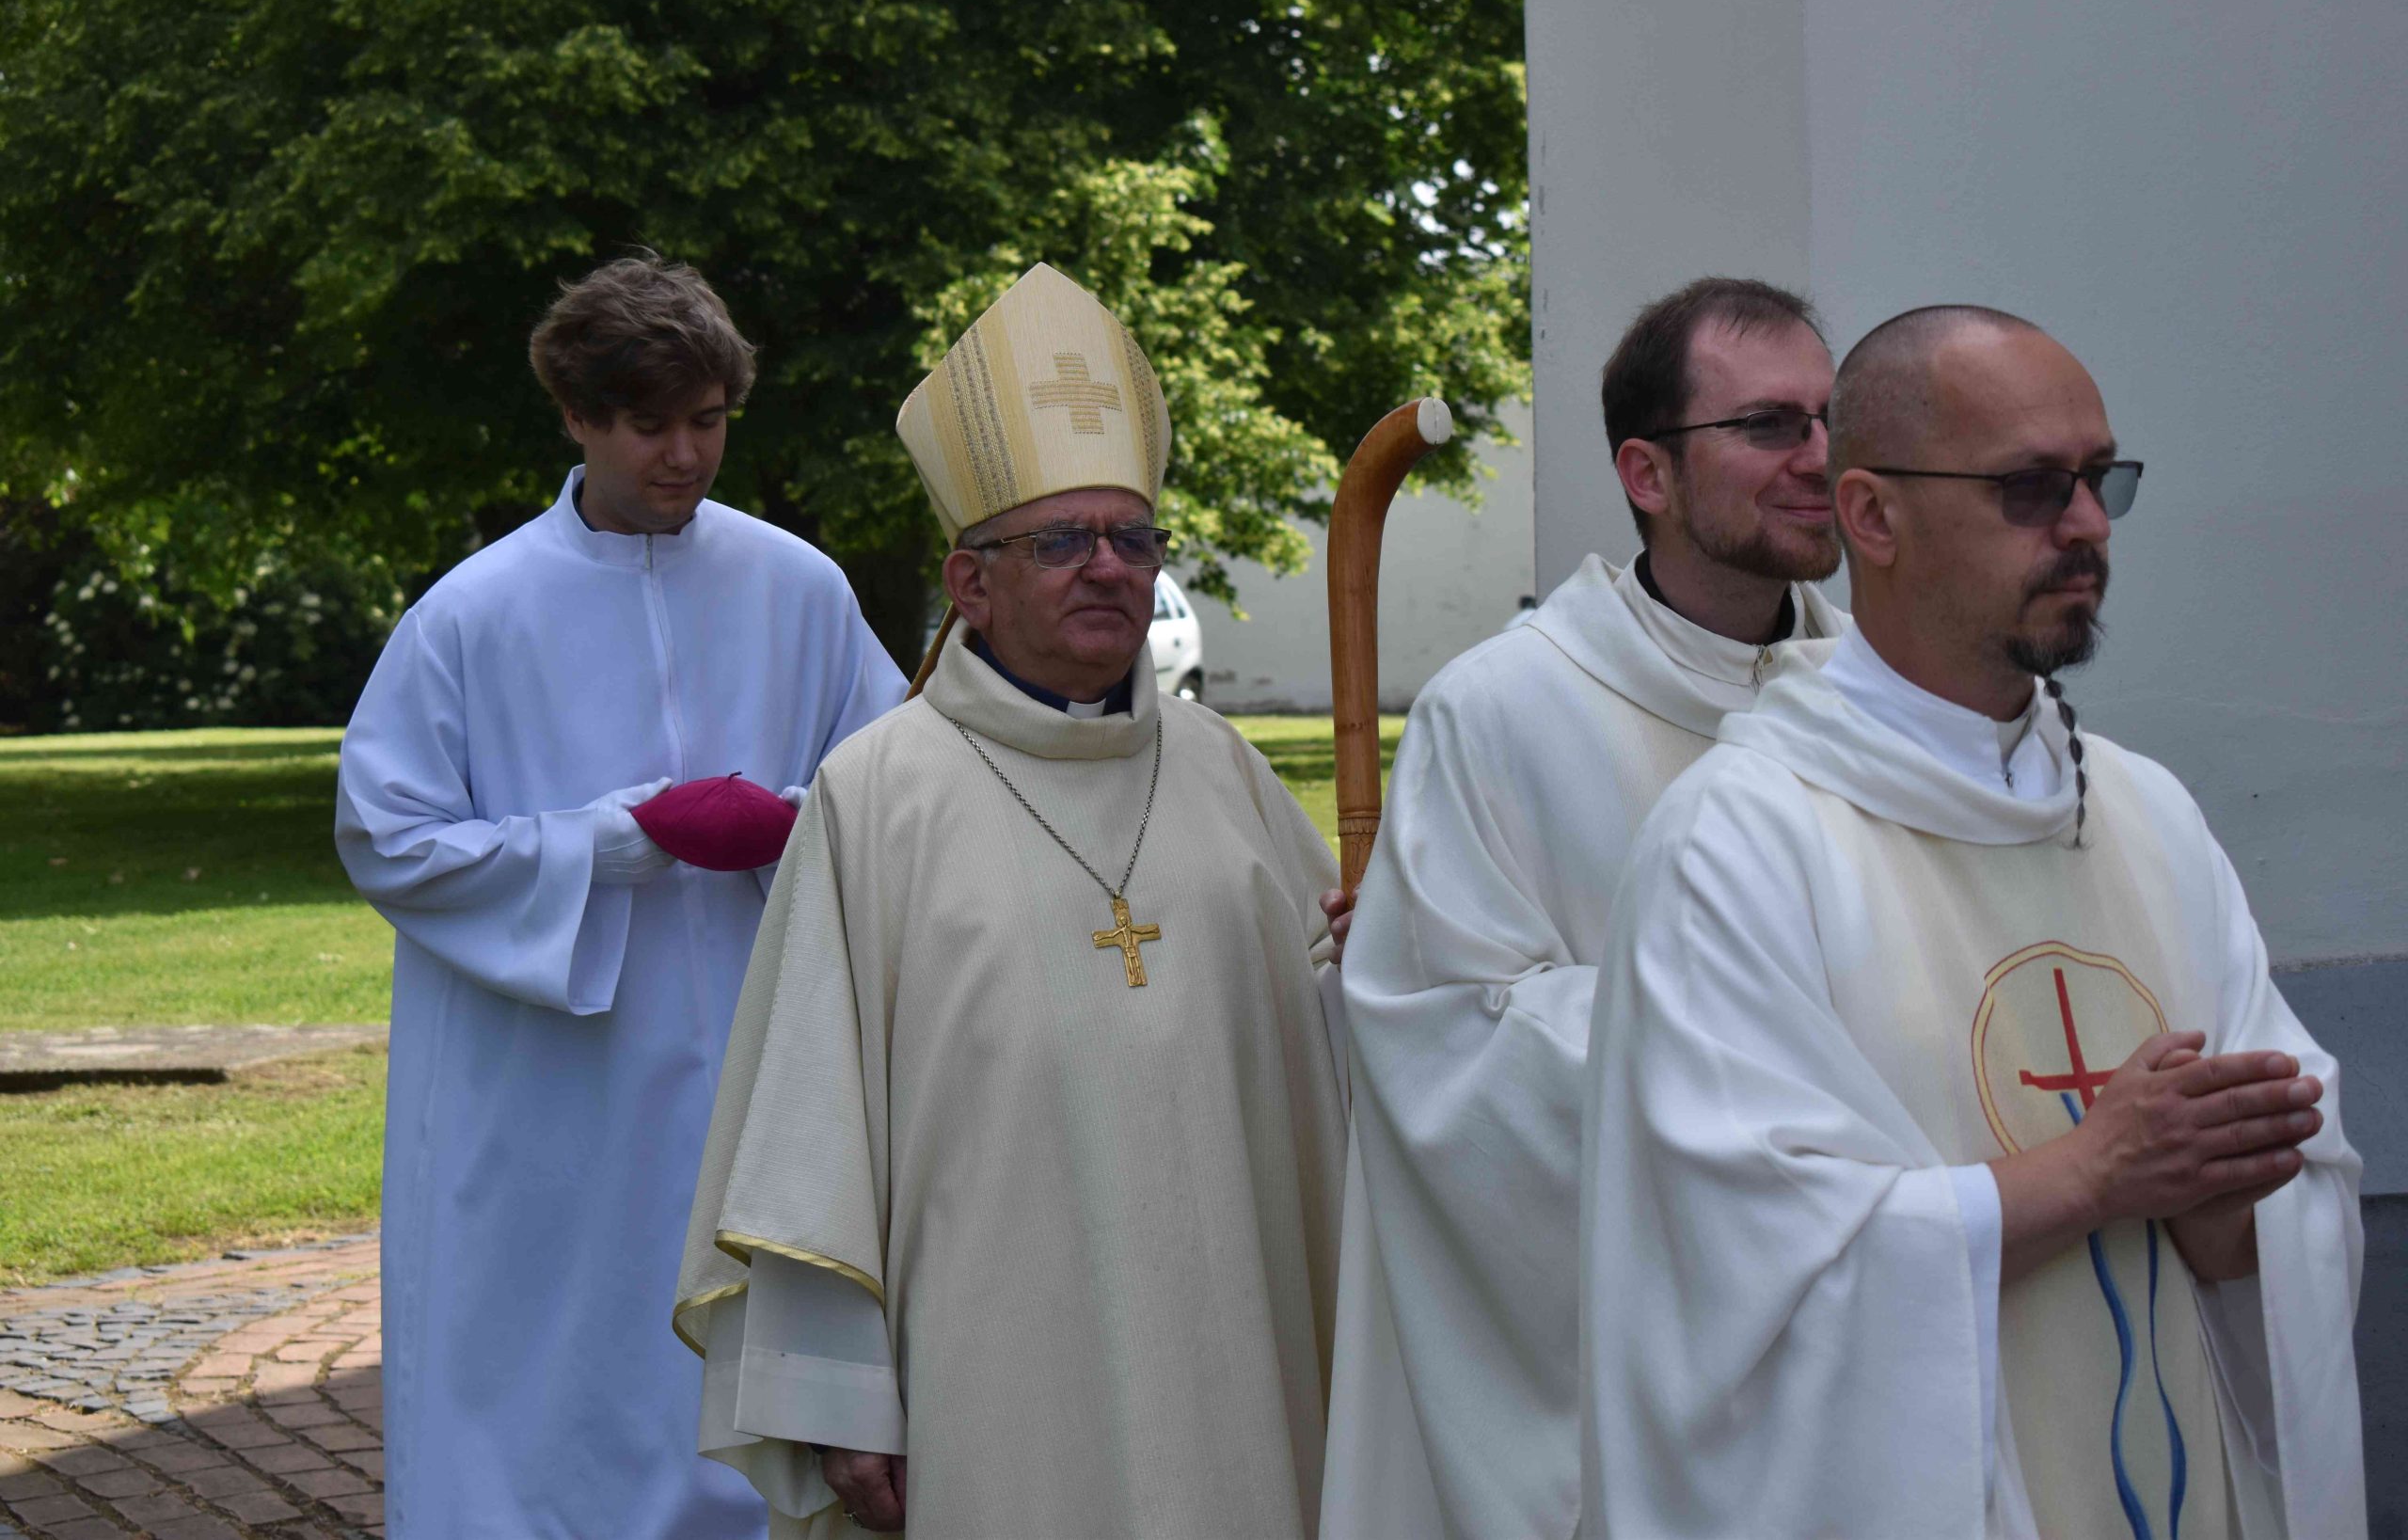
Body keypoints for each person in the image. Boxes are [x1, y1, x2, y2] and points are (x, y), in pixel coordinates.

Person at [1578, 306, 2365, 1538]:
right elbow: (1735, 1278)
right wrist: (2093, 1172)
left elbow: (2275, 1195)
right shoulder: (1738, 842)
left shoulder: (2146, 813)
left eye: (2100, 480)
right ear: (1872, 516)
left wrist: (2232, 1203)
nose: (2089, 524)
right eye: (2032, 487)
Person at [675, 262, 1350, 1539]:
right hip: (986, 1378)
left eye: (1133, 539)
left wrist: (1377, 976)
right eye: (1060, 541)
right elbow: (814, 1126)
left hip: (1235, 1353)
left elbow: (1330, 1063)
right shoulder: (879, 793)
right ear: (970, 583)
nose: (1107, 568)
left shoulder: (1225, 771)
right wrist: (840, 1397)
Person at [335, 253, 904, 1537]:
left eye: (708, 420)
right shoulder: (474, 614)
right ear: (577, 416)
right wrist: (611, 841)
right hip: (550, 1082)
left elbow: (895, 790)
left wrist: (793, 825)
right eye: (650, 424)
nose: (685, 455)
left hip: (753, 1050)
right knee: (551, 1359)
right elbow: (388, 837)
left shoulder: (798, 587)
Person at [1320, 278, 1847, 1540]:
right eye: (1769, 425)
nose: (1820, 457)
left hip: (1853, 1318)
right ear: (1646, 474)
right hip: (1622, 1348)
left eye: (1833, 420)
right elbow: (1447, 1047)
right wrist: (1769, 1039)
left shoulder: (1877, 700)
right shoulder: (1503, 708)